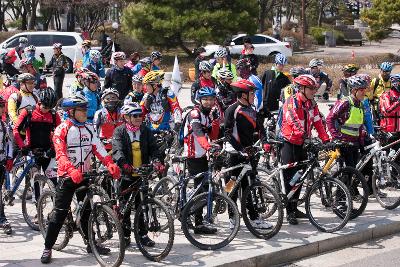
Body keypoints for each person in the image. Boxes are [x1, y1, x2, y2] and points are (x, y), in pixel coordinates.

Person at [40, 94, 121, 264]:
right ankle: (48, 247)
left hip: (85, 174)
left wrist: (109, 163)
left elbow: (98, 147)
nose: (85, 112)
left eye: (86, 109)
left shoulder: (89, 127)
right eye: (81, 110)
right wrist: (70, 169)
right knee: (59, 214)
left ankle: (91, 243)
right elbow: (60, 154)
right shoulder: (62, 129)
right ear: (71, 111)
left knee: (87, 211)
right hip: (67, 176)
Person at [112, 103, 163, 247]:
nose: (139, 118)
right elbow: (117, 150)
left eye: (140, 115)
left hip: (142, 173)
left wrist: (157, 160)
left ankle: (143, 235)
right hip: (127, 175)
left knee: (142, 205)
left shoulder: (145, 131)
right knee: (125, 208)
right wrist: (124, 165)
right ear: (126, 117)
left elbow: (154, 148)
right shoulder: (119, 132)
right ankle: (126, 236)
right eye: (135, 116)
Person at [280, 74, 330, 225]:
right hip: (290, 143)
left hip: (303, 143)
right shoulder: (291, 102)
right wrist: (304, 136)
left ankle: (294, 207)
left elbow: (318, 122)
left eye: (315, 89)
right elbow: (293, 120)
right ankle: (289, 211)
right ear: (301, 88)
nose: (314, 91)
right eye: (311, 89)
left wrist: (325, 139)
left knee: (301, 177)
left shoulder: (311, 103)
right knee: (291, 179)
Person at [224, 79, 273, 229]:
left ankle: (253, 217)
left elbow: (260, 129)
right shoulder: (232, 110)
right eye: (251, 93)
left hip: (249, 153)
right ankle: (232, 217)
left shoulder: (252, 109)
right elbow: (227, 134)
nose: (254, 95)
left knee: (248, 187)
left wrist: (265, 141)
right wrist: (240, 149)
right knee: (231, 186)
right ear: (243, 95)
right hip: (233, 153)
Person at [183, 87, 220, 234]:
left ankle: (196, 220)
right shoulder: (194, 113)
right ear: (200, 100)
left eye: (212, 99)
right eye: (206, 99)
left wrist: (216, 120)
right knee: (201, 189)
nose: (209, 102)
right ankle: (194, 219)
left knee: (203, 188)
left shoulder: (208, 114)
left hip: (203, 154)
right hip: (193, 154)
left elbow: (213, 134)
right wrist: (207, 146)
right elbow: (198, 131)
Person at [13, 87, 60, 192]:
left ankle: (56, 207)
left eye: (49, 108)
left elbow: (60, 134)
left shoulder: (53, 114)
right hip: (32, 151)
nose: (46, 110)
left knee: (53, 182)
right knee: (36, 181)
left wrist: (54, 148)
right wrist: (23, 147)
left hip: (48, 151)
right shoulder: (28, 111)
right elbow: (16, 130)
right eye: (44, 107)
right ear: (40, 102)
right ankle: (37, 202)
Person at [0, 96, 14, 235]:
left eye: (2, 106)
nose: (2, 109)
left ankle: (2, 217)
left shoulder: (4, 125)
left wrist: (9, 158)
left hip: (2, 160)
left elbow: (9, 142)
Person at [379, 74, 400, 163]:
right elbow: (387, 111)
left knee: (398, 158)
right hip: (389, 130)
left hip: (399, 130)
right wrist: (398, 102)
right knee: (387, 156)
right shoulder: (386, 95)